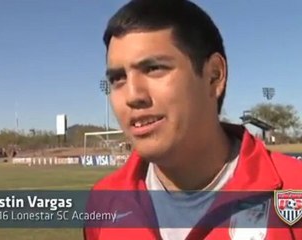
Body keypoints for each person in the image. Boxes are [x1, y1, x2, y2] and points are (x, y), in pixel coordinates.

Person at [84, 0, 302, 239]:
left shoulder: (294, 188)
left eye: (154, 68)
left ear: (213, 76)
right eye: (118, 78)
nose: (133, 95)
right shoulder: (102, 202)